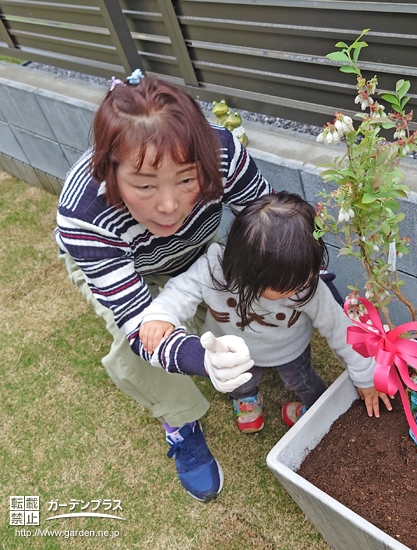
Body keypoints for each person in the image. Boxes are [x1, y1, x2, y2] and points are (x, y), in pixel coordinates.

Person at [54, 69, 272, 502]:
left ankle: (240, 369)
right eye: (145, 185)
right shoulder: (84, 214)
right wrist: (199, 360)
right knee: (138, 345)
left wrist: (314, 278)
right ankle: (180, 421)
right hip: (124, 265)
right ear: (109, 168)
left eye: (188, 179)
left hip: (195, 249)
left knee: (230, 305)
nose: (170, 205)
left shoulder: (223, 151)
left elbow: (266, 217)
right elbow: (140, 325)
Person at [139, 192, 393, 435]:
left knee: (303, 380)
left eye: (308, 273)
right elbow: (181, 291)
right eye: (288, 285)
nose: (304, 285)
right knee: (240, 382)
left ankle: (315, 408)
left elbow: (340, 328)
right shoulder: (213, 268)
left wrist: (364, 375)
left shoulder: (308, 286)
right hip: (235, 353)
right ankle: (246, 399)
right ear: (251, 274)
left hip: (290, 350)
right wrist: (161, 314)